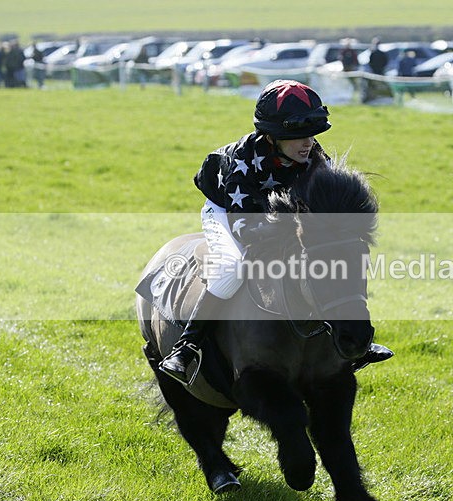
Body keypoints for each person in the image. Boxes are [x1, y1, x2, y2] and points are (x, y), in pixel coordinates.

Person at [158, 79, 394, 384]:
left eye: (312, 135)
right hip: (227, 211)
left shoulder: (316, 158)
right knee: (233, 266)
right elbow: (245, 228)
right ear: (272, 136)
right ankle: (187, 347)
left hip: (281, 216)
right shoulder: (241, 163)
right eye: (298, 137)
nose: (308, 143)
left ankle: (353, 340)